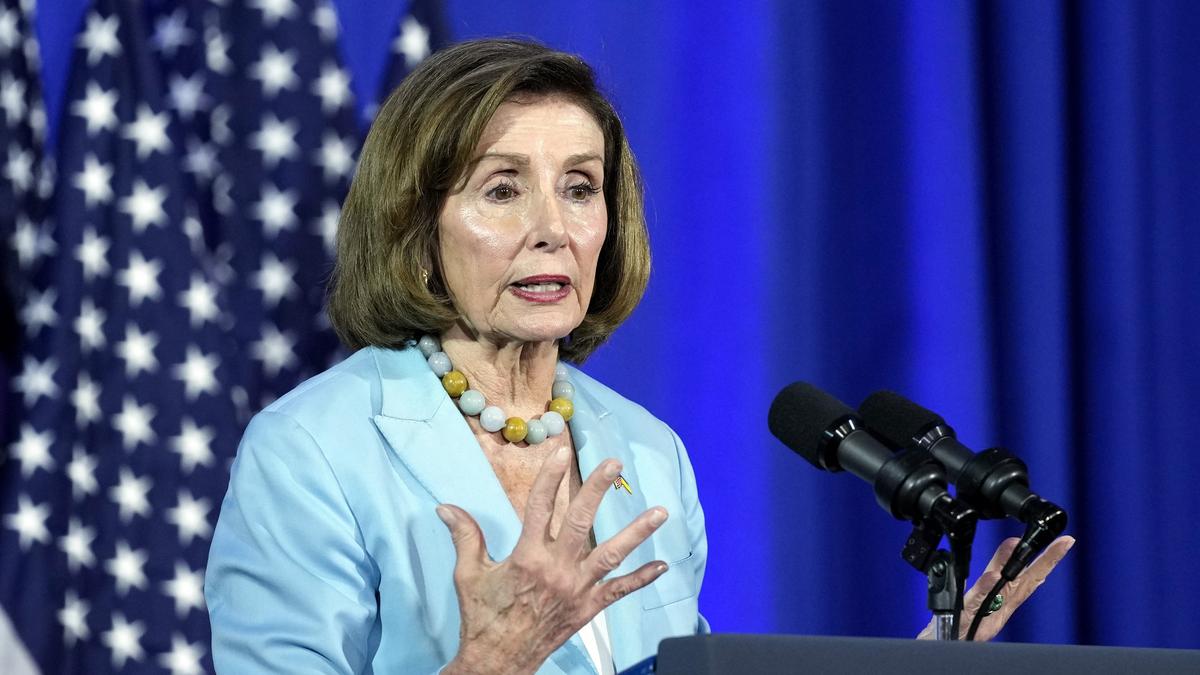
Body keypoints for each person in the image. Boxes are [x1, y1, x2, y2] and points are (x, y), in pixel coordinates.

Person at [204, 38, 1072, 674]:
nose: (552, 227)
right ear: (416, 228)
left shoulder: (648, 451)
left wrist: (933, 659)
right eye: (502, 188)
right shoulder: (312, 450)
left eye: (580, 187)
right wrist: (490, 661)